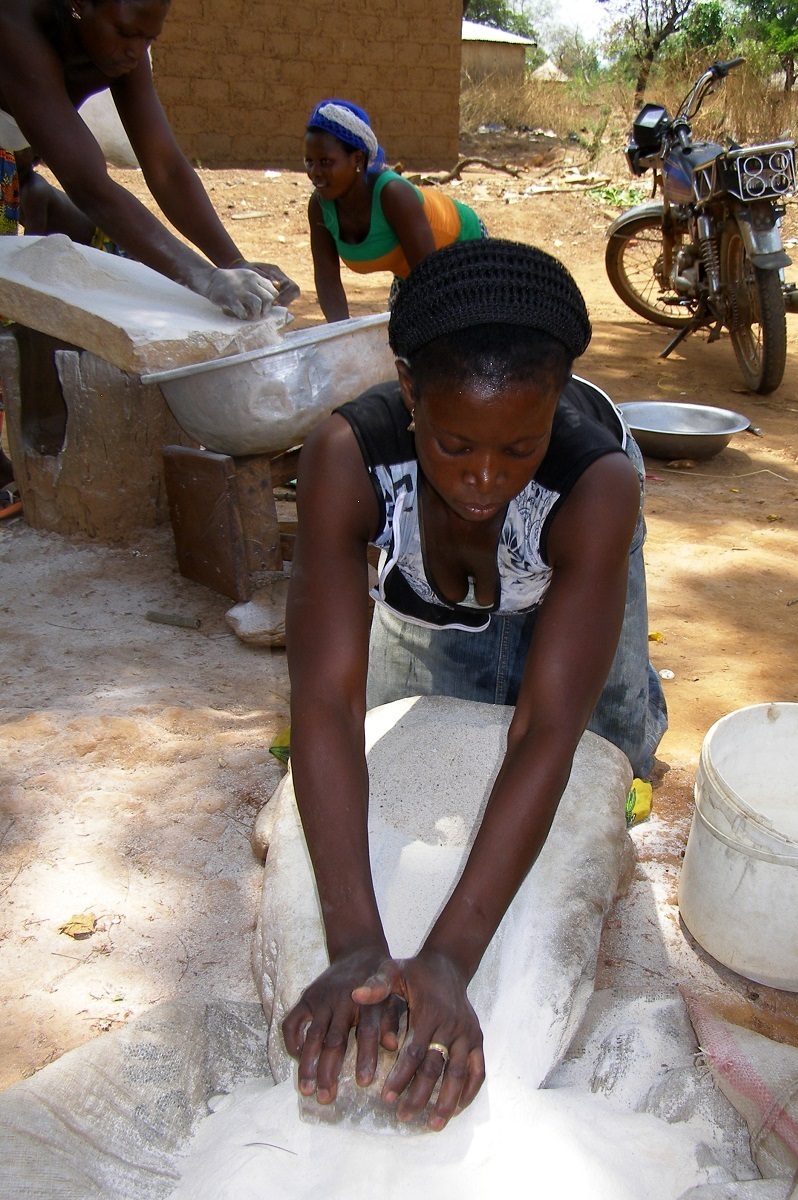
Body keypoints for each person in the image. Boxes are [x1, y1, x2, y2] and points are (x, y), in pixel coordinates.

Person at [281, 239, 667, 1132]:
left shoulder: (590, 485)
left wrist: (451, 958)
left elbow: (544, 735)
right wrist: (358, 951)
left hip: (571, 553)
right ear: (410, 393)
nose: (484, 480)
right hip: (436, 582)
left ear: (557, 409)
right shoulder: (350, 460)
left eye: (517, 446)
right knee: (430, 719)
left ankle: (631, 711)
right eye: (454, 444)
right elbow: (326, 704)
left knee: (609, 744)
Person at [0, 0, 299, 319]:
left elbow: (166, 168)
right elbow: (87, 184)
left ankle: (36, 193)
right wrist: (208, 279)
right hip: (12, 170)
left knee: (121, 270)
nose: (136, 50)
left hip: (15, 166)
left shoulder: (122, 48)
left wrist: (234, 264)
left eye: (148, 39)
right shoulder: (13, 26)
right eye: (127, 32)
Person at [304, 99, 485, 322]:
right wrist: (342, 337)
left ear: (357, 159)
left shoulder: (393, 195)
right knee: (399, 343)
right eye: (309, 161)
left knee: (456, 341)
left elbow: (429, 280)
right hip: (413, 272)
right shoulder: (320, 206)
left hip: (466, 251)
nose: (314, 172)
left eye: (325, 161)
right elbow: (326, 277)